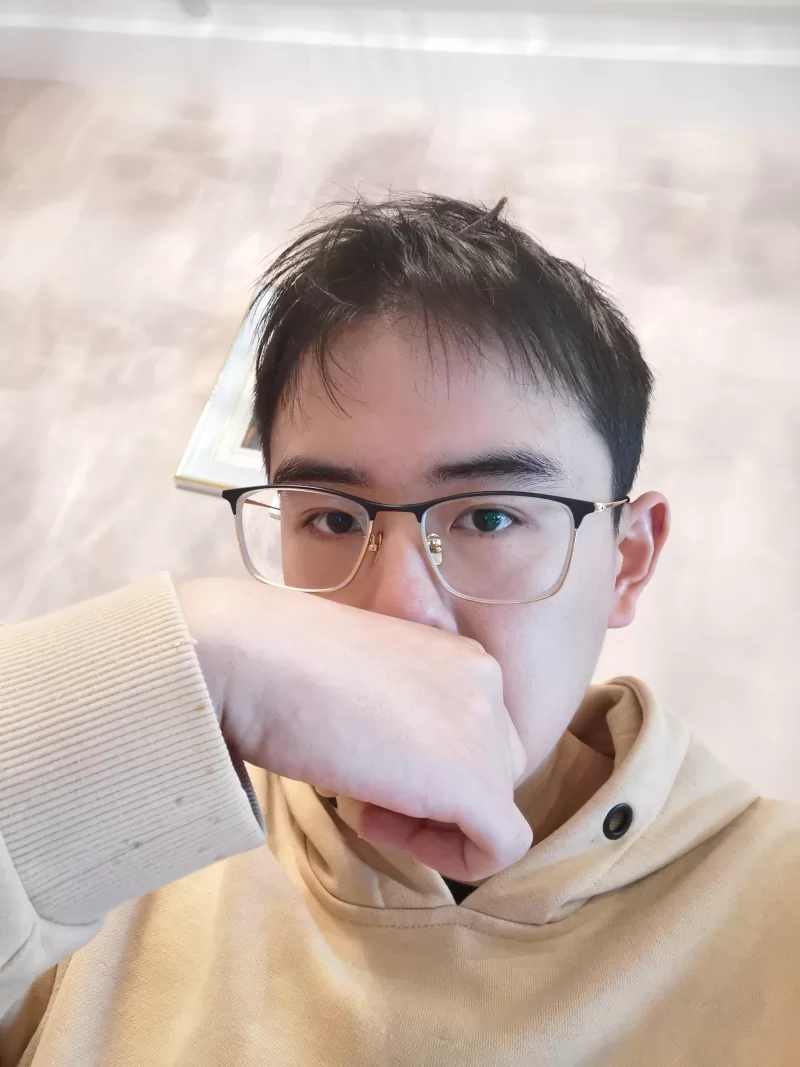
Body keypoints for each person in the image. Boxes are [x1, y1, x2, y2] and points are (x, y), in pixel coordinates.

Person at [0, 194, 797, 1067]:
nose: (400, 609)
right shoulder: (113, 845)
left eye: (489, 517)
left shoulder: (772, 903)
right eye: (334, 518)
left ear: (628, 560)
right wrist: (197, 646)